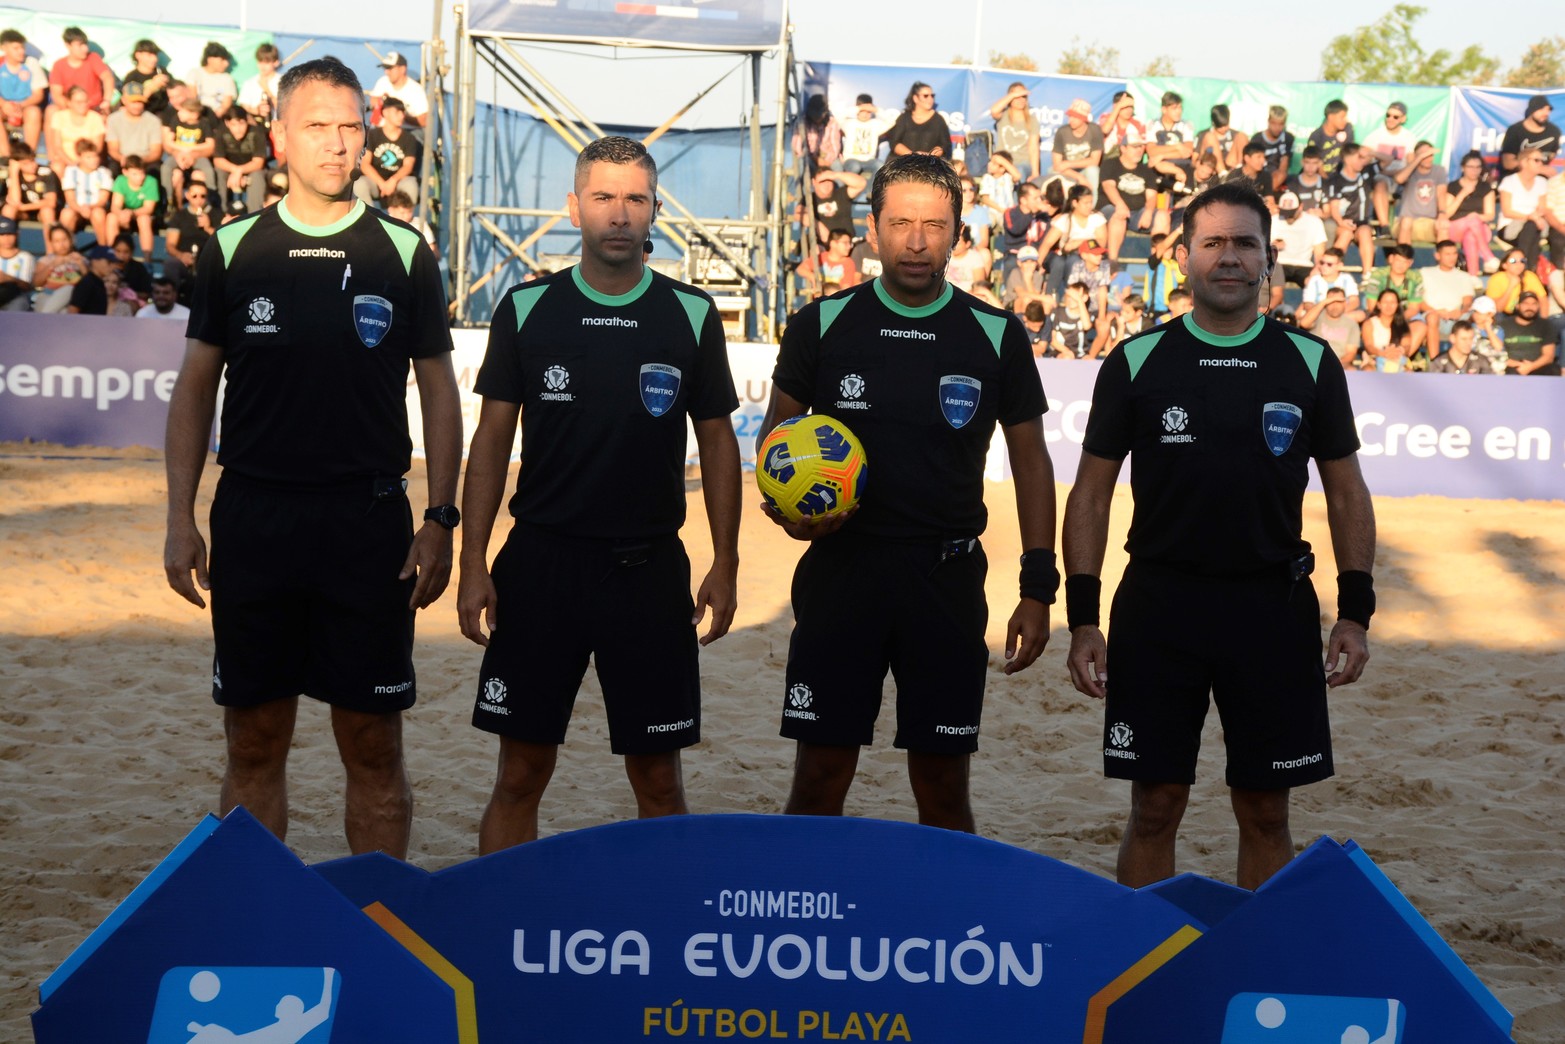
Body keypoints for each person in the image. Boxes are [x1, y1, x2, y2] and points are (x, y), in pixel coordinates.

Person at [162, 57, 462, 857]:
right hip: (255, 519)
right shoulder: (231, 248)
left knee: (373, 746)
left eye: (350, 126)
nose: (336, 143)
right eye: (317, 126)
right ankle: (254, 915)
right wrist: (180, 518)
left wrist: (440, 518)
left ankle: (375, 918)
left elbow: (439, 392)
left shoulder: (404, 251)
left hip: (368, 525)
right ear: (280, 137)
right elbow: (194, 389)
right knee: (254, 741)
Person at [1062, 180, 1375, 890]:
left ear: (1269, 259)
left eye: (1244, 244)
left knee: (1265, 812)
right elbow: (1090, 493)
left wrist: (1355, 611)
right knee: (1154, 807)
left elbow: (1347, 491)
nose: (1228, 257)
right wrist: (1082, 618)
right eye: (1212, 243)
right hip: (1158, 607)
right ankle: (1145, 956)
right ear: (1183, 257)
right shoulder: (1136, 360)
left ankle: (1255, 954)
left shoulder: (1310, 361)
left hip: (1272, 610)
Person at [758, 153, 1057, 833]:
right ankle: (807, 902)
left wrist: (1038, 586)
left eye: (934, 226)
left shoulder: (996, 334)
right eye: (900, 224)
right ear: (872, 228)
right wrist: (790, 515)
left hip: (945, 579)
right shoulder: (821, 323)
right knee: (819, 776)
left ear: (958, 234)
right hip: (843, 573)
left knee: (944, 788)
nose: (917, 242)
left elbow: (1032, 462)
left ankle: (943, 907)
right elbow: (776, 440)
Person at [458, 135, 740, 851]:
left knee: (659, 781)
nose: (619, 214)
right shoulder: (527, 308)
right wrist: (472, 561)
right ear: (573, 206)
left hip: (648, 574)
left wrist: (726, 559)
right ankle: (503, 915)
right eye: (604, 197)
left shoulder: (691, 313)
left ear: (655, 211)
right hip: (540, 568)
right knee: (520, 774)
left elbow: (717, 441)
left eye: (636, 199)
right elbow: (490, 442)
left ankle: (663, 918)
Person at [355, 96, 421, 206]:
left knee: (411, 185)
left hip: (399, 182)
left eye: (403, 112)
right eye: (397, 112)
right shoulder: (372, 135)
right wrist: (382, 184)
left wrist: (393, 181)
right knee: (359, 184)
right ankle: (367, 216)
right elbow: (365, 164)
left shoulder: (409, 138)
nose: (402, 116)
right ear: (385, 112)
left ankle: (402, 216)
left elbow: (408, 166)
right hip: (375, 181)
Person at [1269, 191, 1327, 312]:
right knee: (1268, 281)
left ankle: (1303, 314)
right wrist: (1272, 246)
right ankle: (1273, 313)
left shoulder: (1314, 222)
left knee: (1315, 281)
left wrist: (1317, 270)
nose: (1288, 216)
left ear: (1300, 207)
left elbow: (1319, 253)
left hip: (1304, 265)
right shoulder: (1272, 220)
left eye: (1291, 213)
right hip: (1278, 264)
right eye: (1285, 212)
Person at [1497, 148, 1551, 271]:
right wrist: (1529, 217)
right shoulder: (1509, 181)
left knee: (1532, 227)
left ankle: (1524, 268)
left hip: (1535, 224)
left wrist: (1535, 217)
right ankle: (1530, 269)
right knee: (1531, 228)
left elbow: (1542, 208)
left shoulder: (1542, 182)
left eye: (1542, 160)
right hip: (1511, 225)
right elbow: (1507, 211)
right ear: (1524, 162)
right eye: (1536, 160)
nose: (1540, 163)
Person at [1444, 150, 1497, 276]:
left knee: (1471, 235)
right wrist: (1462, 194)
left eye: (1478, 167)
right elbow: (1447, 214)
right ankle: (1488, 257)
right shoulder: (1453, 186)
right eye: (1471, 167)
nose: (1475, 170)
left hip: (1479, 230)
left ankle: (1473, 276)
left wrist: (1477, 216)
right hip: (1456, 228)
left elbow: (1490, 215)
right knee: (1472, 222)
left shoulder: (1485, 188)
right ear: (1463, 168)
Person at [213, 109, 268, 213]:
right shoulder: (221, 132)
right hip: (229, 170)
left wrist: (239, 171)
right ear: (227, 123)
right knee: (219, 173)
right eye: (234, 125)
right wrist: (236, 171)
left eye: (242, 124)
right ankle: (221, 213)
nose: (238, 129)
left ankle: (254, 214)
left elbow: (258, 163)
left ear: (247, 121)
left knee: (257, 177)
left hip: (252, 170)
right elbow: (218, 160)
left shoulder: (257, 132)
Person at [48, 26, 113, 114]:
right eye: (80, 45)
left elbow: (107, 77)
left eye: (85, 44)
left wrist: (107, 100)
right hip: (69, 109)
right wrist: (74, 109)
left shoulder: (93, 58)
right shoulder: (58, 65)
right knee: (51, 111)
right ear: (68, 45)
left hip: (94, 108)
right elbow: (57, 95)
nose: (85, 49)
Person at [0, 28, 46, 150]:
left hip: (25, 106)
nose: (21, 51)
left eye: (22, 47)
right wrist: (5, 105)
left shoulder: (31, 63)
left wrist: (20, 106)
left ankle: (28, 154)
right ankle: (5, 155)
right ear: (4, 48)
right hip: (3, 107)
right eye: (16, 48)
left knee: (34, 112)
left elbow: (38, 94)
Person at [61, 140, 113, 245]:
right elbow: (70, 199)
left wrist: (89, 207)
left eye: (95, 156)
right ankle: (65, 247)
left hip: (95, 208)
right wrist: (81, 209)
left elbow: (103, 200)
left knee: (98, 214)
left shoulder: (104, 173)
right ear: (79, 157)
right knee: (67, 214)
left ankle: (103, 248)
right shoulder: (70, 171)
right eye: (89, 157)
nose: (94, 160)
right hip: (76, 208)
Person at [106, 81, 164, 173]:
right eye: (133, 102)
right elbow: (113, 149)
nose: (137, 106)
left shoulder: (153, 120)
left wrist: (140, 161)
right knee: (112, 170)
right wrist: (123, 159)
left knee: (156, 170)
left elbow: (156, 151)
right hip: (122, 159)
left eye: (140, 102)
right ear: (123, 100)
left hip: (146, 160)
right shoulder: (113, 119)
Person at [108, 155, 160, 258]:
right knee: (111, 217)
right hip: (124, 215)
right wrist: (122, 214)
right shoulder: (120, 181)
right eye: (135, 174)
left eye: (142, 173)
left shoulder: (150, 182)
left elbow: (148, 208)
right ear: (125, 172)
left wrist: (131, 213)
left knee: (144, 219)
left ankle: (147, 257)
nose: (140, 177)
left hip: (141, 214)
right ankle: (112, 255)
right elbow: (115, 206)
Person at [1299, 286, 1363, 368]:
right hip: (1314, 362)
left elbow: (1351, 353)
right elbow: (1304, 323)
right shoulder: (1317, 317)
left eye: (1338, 302)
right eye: (1331, 301)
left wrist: (1334, 366)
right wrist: (1323, 303)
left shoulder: (1352, 324)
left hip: (1340, 365)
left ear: (1345, 303)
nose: (1335, 306)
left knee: (1352, 370)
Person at [1497, 291, 1559, 375]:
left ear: (1538, 306)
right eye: (1525, 303)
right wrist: (1517, 364)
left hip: (1538, 366)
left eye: (1534, 304)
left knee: (1553, 370)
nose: (1530, 307)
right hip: (1511, 366)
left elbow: (1548, 356)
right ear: (1518, 306)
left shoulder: (1546, 325)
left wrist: (1531, 367)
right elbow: (1497, 352)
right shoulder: (1504, 325)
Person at [989, 82, 1040, 182]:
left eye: (1023, 96)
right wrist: (1013, 94)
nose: (1020, 100)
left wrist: (1035, 172)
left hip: (1022, 162)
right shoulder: (1003, 115)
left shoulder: (1032, 120)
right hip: (1002, 161)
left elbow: (1033, 148)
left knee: (1019, 172)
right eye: (1017, 97)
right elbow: (994, 111)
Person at [884, 82, 950, 158]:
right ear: (915, 98)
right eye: (925, 96)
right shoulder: (904, 118)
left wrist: (928, 157)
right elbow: (894, 142)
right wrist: (913, 156)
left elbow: (944, 145)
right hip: (902, 162)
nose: (930, 99)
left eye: (932, 96)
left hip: (928, 163)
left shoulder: (938, 120)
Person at [1052, 98, 1104, 195]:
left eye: (1075, 117)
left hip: (1084, 169)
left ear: (1084, 118)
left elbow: (1094, 161)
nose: (1071, 120)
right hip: (1066, 171)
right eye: (1070, 116)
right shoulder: (1062, 132)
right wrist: (1079, 177)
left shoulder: (1095, 130)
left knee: (1093, 171)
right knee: (1053, 172)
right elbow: (1057, 165)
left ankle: (1093, 202)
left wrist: (1068, 164)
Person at [31, 223, 85, 313]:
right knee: (62, 311)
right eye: (57, 241)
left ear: (71, 240)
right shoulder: (45, 260)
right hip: (48, 296)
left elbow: (91, 283)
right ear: (51, 243)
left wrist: (81, 265)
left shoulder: (80, 259)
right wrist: (51, 266)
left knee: (69, 289)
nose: (62, 244)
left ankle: (44, 318)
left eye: (64, 239)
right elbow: (36, 283)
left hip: (72, 300)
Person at [1499, 95, 1559, 175]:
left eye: (1548, 110)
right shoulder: (1515, 130)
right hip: (1515, 177)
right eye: (1541, 109)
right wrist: (1537, 169)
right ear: (1532, 110)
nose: (1546, 113)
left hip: (1540, 179)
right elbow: (1508, 163)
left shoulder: (1554, 131)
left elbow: (1552, 156)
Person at [369, 51, 429, 129]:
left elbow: (424, 121)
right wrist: (381, 103)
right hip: (382, 129)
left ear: (402, 69)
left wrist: (399, 114)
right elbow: (373, 100)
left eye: (390, 68)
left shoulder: (416, 90)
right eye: (385, 68)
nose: (386, 72)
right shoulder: (383, 82)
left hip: (407, 130)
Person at [4, 141, 59, 226]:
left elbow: (51, 202)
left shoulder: (46, 172)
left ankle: (50, 234)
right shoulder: (14, 175)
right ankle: (6, 233)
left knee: (47, 211)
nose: (32, 165)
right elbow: (15, 201)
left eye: (32, 160)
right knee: (8, 209)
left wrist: (23, 207)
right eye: (26, 164)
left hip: (41, 211)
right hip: (24, 213)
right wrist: (14, 173)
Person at [841, 94, 888, 181]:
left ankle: (869, 189)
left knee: (880, 166)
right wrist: (859, 108)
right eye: (863, 111)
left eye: (868, 111)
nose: (865, 114)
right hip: (851, 159)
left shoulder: (875, 124)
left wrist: (876, 110)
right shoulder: (849, 123)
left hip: (869, 161)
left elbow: (894, 118)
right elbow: (838, 114)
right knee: (855, 167)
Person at [121, 38, 171, 115]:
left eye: (155, 55)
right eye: (149, 55)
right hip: (144, 115)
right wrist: (152, 87)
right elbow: (131, 104)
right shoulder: (131, 77)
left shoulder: (161, 71)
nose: (154, 59)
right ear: (138, 55)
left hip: (165, 113)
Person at [188, 42, 237, 120]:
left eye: (227, 60)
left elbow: (226, 105)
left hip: (217, 118)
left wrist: (212, 119)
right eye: (222, 60)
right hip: (197, 115)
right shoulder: (195, 73)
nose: (226, 64)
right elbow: (192, 97)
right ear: (210, 60)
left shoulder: (227, 79)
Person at [1307, 99, 1354, 177]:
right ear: (1330, 117)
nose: (1345, 120)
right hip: (1321, 178)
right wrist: (1328, 181)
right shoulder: (1316, 136)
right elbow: (1315, 164)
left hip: (1341, 177)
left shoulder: (1347, 129)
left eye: (1345, 117)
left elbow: (1350, 155)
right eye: (1342, 117)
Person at [1254, 105, 1295, 194]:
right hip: (1259, 175)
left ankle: (1263, 194)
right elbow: (1253, 166)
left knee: (1281, 174)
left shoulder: (1288, 138)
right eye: (1274, 123)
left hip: (1277, 177)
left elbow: (1283, 167)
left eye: (1281, 124)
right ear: (1268, 121)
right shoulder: (1257, 138)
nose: (1277, 127)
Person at [65, 243, 114, 314]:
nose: (112, 266)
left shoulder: (99, 283)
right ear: (95, 261)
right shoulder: (86, 283)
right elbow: (73, 311)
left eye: (113, 263)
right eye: (109, 262)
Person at [0, 214, 34, 311]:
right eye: (2, 235)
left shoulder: (26, 257)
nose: (6, 239)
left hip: (17, 297)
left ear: (17, 234)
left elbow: (26, 286)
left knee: (18, 305)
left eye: (10, 234)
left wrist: (6, 278)